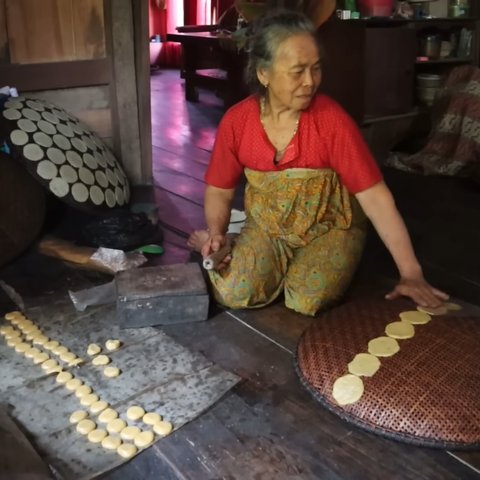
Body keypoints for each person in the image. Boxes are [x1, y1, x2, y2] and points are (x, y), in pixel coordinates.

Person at [188, 10, 448, 316]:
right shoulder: (238, 122)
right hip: (269, 228)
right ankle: (231, 242)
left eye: (316, 68)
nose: (310, 81)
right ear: (263, 73)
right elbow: (219, 189)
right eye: (298, 71)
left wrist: (410, 272)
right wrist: (217, 231)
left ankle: (327, 252)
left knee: (306, 299)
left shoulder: (332, 122)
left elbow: (376, 198)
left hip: (330, 228)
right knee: (234, 290)